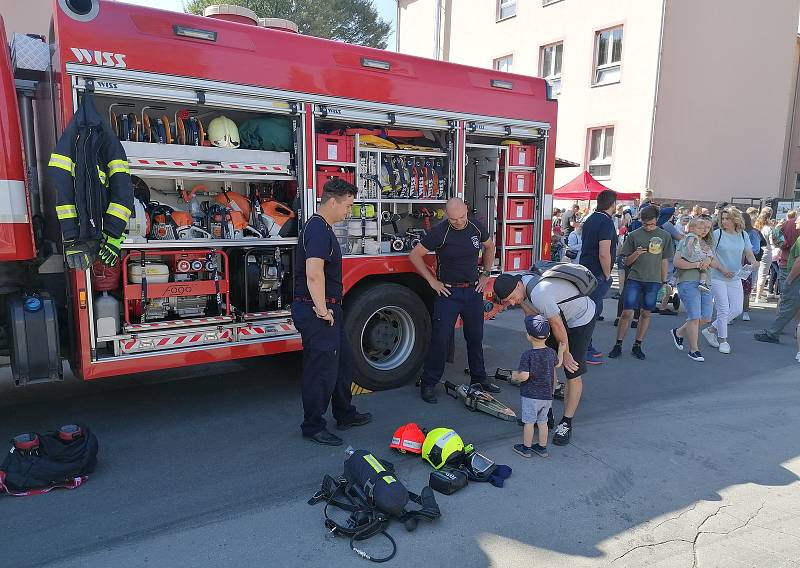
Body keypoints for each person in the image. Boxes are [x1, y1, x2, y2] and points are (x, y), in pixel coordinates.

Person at [292, 179, 372, 446]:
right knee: (321, 371)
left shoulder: (322, 228)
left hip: (327, 308)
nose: (348, 212)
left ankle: (345, 414)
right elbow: (314, 274)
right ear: (333, 201)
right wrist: (322, 310)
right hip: (317, 309)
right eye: (347, 206)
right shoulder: (317, 230)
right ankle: (313, 425)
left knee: (343, 363)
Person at [492, 269, 596, 446]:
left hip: (579, 319)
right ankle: (545, 413)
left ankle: (566, 423)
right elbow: (532, 317)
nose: (511, 303)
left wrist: (567, 353)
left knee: (572, 371)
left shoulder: (539, 293)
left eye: (511, 297)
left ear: (518, 285)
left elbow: (557, 324)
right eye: (507, 301)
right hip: (557, 318)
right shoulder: (520, 288)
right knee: (547, 364)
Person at [411, 198, 498, 404]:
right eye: (453, 219)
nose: (458, 222)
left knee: (475, 337)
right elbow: (415, 255)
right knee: (440, 339)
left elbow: (490, 247)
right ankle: (429, 382)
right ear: (446, 215)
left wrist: (486, 274)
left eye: (461, 217)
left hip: (472, 291)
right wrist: (432, 281)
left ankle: (479, 378)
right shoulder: (440, 231)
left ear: (467, 210)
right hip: (448, 293)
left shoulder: (477, 226)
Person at [609, 206, 675, 359]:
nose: (648, 227)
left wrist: (664, 281)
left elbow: (664, 260)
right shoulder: (634, 235)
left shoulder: (664, 236)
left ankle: (637, 345)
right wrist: (636, 254)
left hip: (653, 280)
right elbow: (625, 261)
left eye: (651, 224)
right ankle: (618, 344)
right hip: (635, 278)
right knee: (627, 312)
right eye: (645, 224)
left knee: (646, 313)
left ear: (657, 220)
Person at [702, 207, 758, 354]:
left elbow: (749, 253)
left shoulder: (743, 235)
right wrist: (722, 269)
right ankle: (723, 340)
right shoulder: (717, 234)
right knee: (723, 309)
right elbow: (710, 256)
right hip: (717, 275)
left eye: (727, 218)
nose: (724, 221)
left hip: (735, 276)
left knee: (737, 309)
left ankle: (711, 329)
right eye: (723, 218)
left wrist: (754, 263)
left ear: (735, 220)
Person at [512, 315, 561, 459]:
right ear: (549, 334)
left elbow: (524, 376)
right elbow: (558, 364)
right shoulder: (551, 352)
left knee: (529, 423)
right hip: (547, 396)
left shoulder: (528, 355)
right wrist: (562, 350)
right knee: (543, 422)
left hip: (531, 396)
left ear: (528, 335)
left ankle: (526, 448)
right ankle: (542, 448)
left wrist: (515, 375)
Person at [579, 189, 618, 364]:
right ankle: (583, 349)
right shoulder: (606, 222)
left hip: (586, 271)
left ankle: (586, 345)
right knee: (591, 312)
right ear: (613, 204)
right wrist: (608, 274)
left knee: (592, 310)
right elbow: (604, 252)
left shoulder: (591, 219)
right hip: (598, 274)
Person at [671, 217, 717, 362]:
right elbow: (677, 262)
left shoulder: (707, 244)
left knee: (706, 317)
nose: (705, 230)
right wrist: (697, 264)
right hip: (688, 281)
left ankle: (678, 332)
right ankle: (694, 349)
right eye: (703, 227)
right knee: (694, 317)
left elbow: (713, 262)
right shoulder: (687, 240)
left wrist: (709, 260)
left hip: (705, 283)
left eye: (708, 228)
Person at [754, 225, 800, 346]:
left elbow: (799, 261)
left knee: (788, 305)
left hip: (795, 277)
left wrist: (789, 280)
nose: (796, 222)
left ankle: (773, 333)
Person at [740, 212, 763, 321]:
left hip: (746, 262)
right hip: (734, 262)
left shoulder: (752, 232)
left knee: (745, 286)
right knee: (733, 286)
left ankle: (745, 310)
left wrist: (745, 251)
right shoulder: (734, 232)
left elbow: (756, 249)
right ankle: (732, 312)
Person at [754, 209, 774, 302]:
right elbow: (771, 242)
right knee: (763, 274)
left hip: (756, 251)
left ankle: (750, 293)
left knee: (754, 273)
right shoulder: (768, 228)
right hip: (766, 251)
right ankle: (758, 297)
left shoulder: (756, 226)